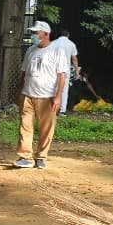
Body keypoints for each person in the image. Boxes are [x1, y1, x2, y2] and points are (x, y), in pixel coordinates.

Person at [15, 21, 71, 169]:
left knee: (46, 128)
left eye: (36, 32)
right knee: (25, 126)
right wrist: (20, 91)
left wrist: (58, 97)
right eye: (32, 32)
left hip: (47, 96)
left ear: (46, 34)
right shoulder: (30, 50)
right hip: (28, 94)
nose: (33, 35)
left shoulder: (57, 51)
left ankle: (41, 156)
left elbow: (61, 76)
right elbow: (24, 73)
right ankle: (25, 156)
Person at [52, 28, 80, 115]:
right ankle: (62, 110)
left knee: (52, 89)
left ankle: (52, 109)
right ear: (68, 35)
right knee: (64, 91)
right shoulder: (71, 44)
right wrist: (76, 71)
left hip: (53, 70)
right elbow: (74, 59)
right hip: (65, 70)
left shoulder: (53, 43)